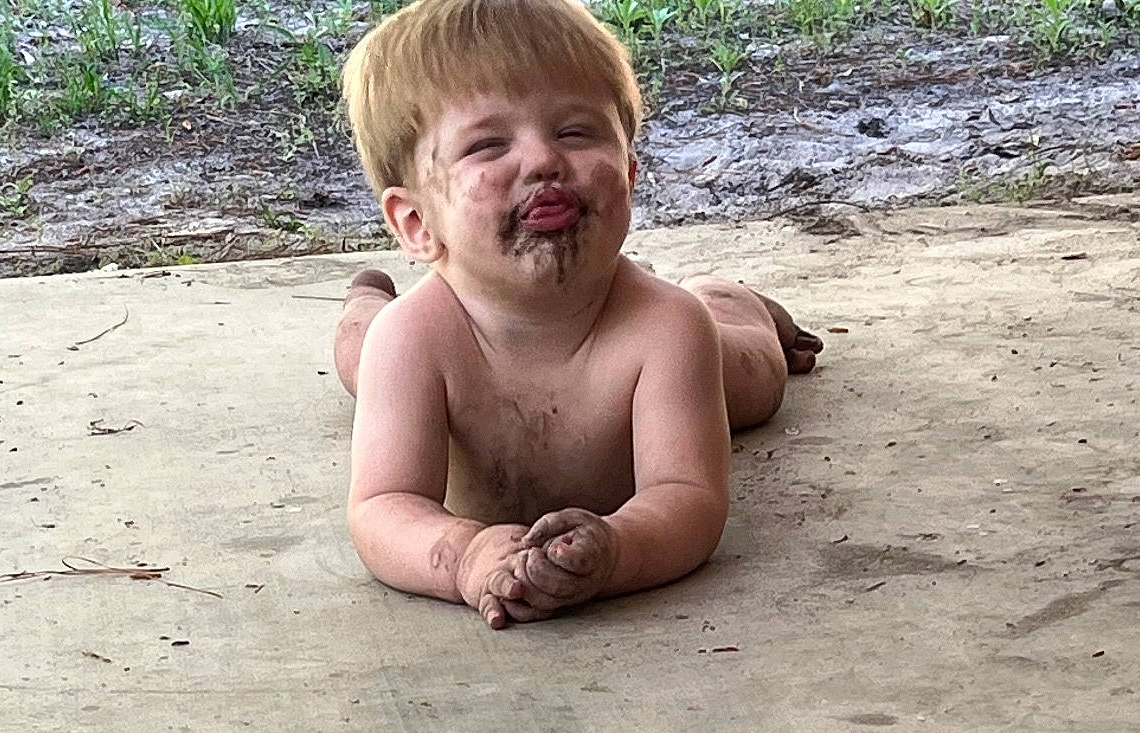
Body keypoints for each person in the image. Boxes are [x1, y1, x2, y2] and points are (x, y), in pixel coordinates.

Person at [335, 0, 822, 630]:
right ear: (417, 223)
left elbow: (689, 500)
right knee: (363, 350)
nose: (543, 161)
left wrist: (619, 550)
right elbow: (383, 507)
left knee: (753, 377)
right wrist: (465, 557)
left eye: (575, 132)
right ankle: (362, 299)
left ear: (629, 171)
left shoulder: (668, 330)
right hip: (408, 333)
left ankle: (732, 298)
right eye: (487, 144)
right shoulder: (413, 340)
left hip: (683, 340)